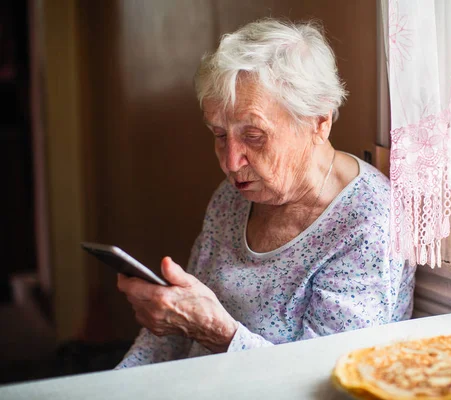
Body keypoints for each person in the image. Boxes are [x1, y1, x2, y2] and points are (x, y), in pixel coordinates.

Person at [115, 18, 415, 368]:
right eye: (219, 134)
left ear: (319, 122)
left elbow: (326, 377)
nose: (231, 160)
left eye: (254, 135)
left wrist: (217, 331)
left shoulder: (368, 223)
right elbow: (175, 331)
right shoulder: (234, 197)